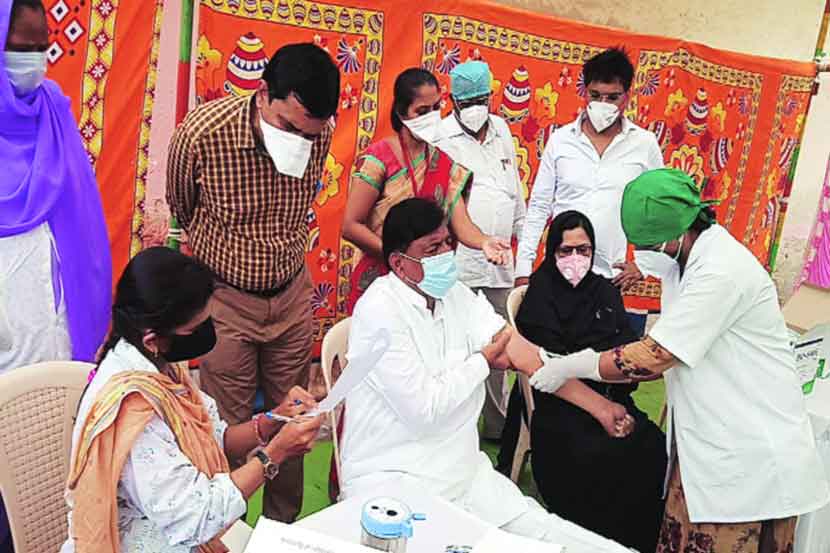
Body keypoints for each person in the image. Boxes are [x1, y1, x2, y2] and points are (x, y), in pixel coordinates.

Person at [512, 168, 830, 553]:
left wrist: (571, 365)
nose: (645, 254)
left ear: (677, 233)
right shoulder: (684, 257)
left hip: (746, 445)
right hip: (649, 426)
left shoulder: (720, 272)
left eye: (651, 244)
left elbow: (651, 356)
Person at [339, 198, 633, 553]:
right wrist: (480, 362)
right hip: (396, 479)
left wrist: (599, 406)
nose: (445, 255)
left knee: (550, 535)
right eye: (432, 249)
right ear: (399, 263)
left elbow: (515, 350)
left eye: (448, 243)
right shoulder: (379, 312)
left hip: (462, 471)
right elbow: (423, 408)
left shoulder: (453, 294)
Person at [166, 42, 338, 523]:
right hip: (225, 301)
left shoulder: (319, 133)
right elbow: (181, 204)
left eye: (308, 135)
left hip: (291, 295)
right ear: (263, 94)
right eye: (288, 127)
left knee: (295, 421)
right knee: (230, 427)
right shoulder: (202, 134)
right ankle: (229, 533)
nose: (298, 142)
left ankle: (282, 532)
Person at [61, 247, 323, 553]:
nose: (208, 333)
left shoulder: (160, 366)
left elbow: (215, 438)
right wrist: (274, 454)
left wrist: (272, 421)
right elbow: (195, 520)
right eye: (195, 328)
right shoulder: (133, 410)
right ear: (153, 339)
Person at [513, 210, 666, 553]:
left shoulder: (603, 291)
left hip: (613, 397)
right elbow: (545, 368)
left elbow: (625, 348)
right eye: (565, 250)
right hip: (562, 405)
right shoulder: (540, 295)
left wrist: (616, 405)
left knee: (651, 446)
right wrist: (601, 407)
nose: (575, 259)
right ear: (552, 251)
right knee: (598, 458)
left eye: (583, 250)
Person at [0, 0, 111, 373]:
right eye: (22, 49)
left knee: (57, 391)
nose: (35, 61)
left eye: (41, 48)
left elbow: (82, 209)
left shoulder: (53, 108)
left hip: (60, 312)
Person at [342, 67, 509, 313]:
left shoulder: (444, 164)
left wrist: (484, 241)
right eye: (422, 111)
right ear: (401, 111)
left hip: (425, 281)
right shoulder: (379, 158)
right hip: (380, 278)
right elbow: (350, 225)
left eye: (435, 108)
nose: (431, 117)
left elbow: (461, 223)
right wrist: (399, 258)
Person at [515, 47, 663, 309]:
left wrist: (644, 265)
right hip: (558, 274)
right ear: (584, 92)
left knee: (606, 336)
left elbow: (659, 210)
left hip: (610, 280)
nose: (603, 104)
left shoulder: (644, 144)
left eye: (612, 97)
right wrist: (523, 270)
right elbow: (539, 206)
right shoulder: (560, 140)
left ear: (627, 97)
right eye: (595, 96)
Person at [434, 60, 526, 441]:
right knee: (459, 347)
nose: (475, 108)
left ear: (490, 96)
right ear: (453, 101)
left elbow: (513, 188)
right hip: (460, 264)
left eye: (480, 100)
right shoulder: (441, 137)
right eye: (467, 102)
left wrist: (521, 239)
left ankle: (496, 424)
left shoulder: (501, 130)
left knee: (500, 342)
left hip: (500, 262)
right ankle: (457, 429)